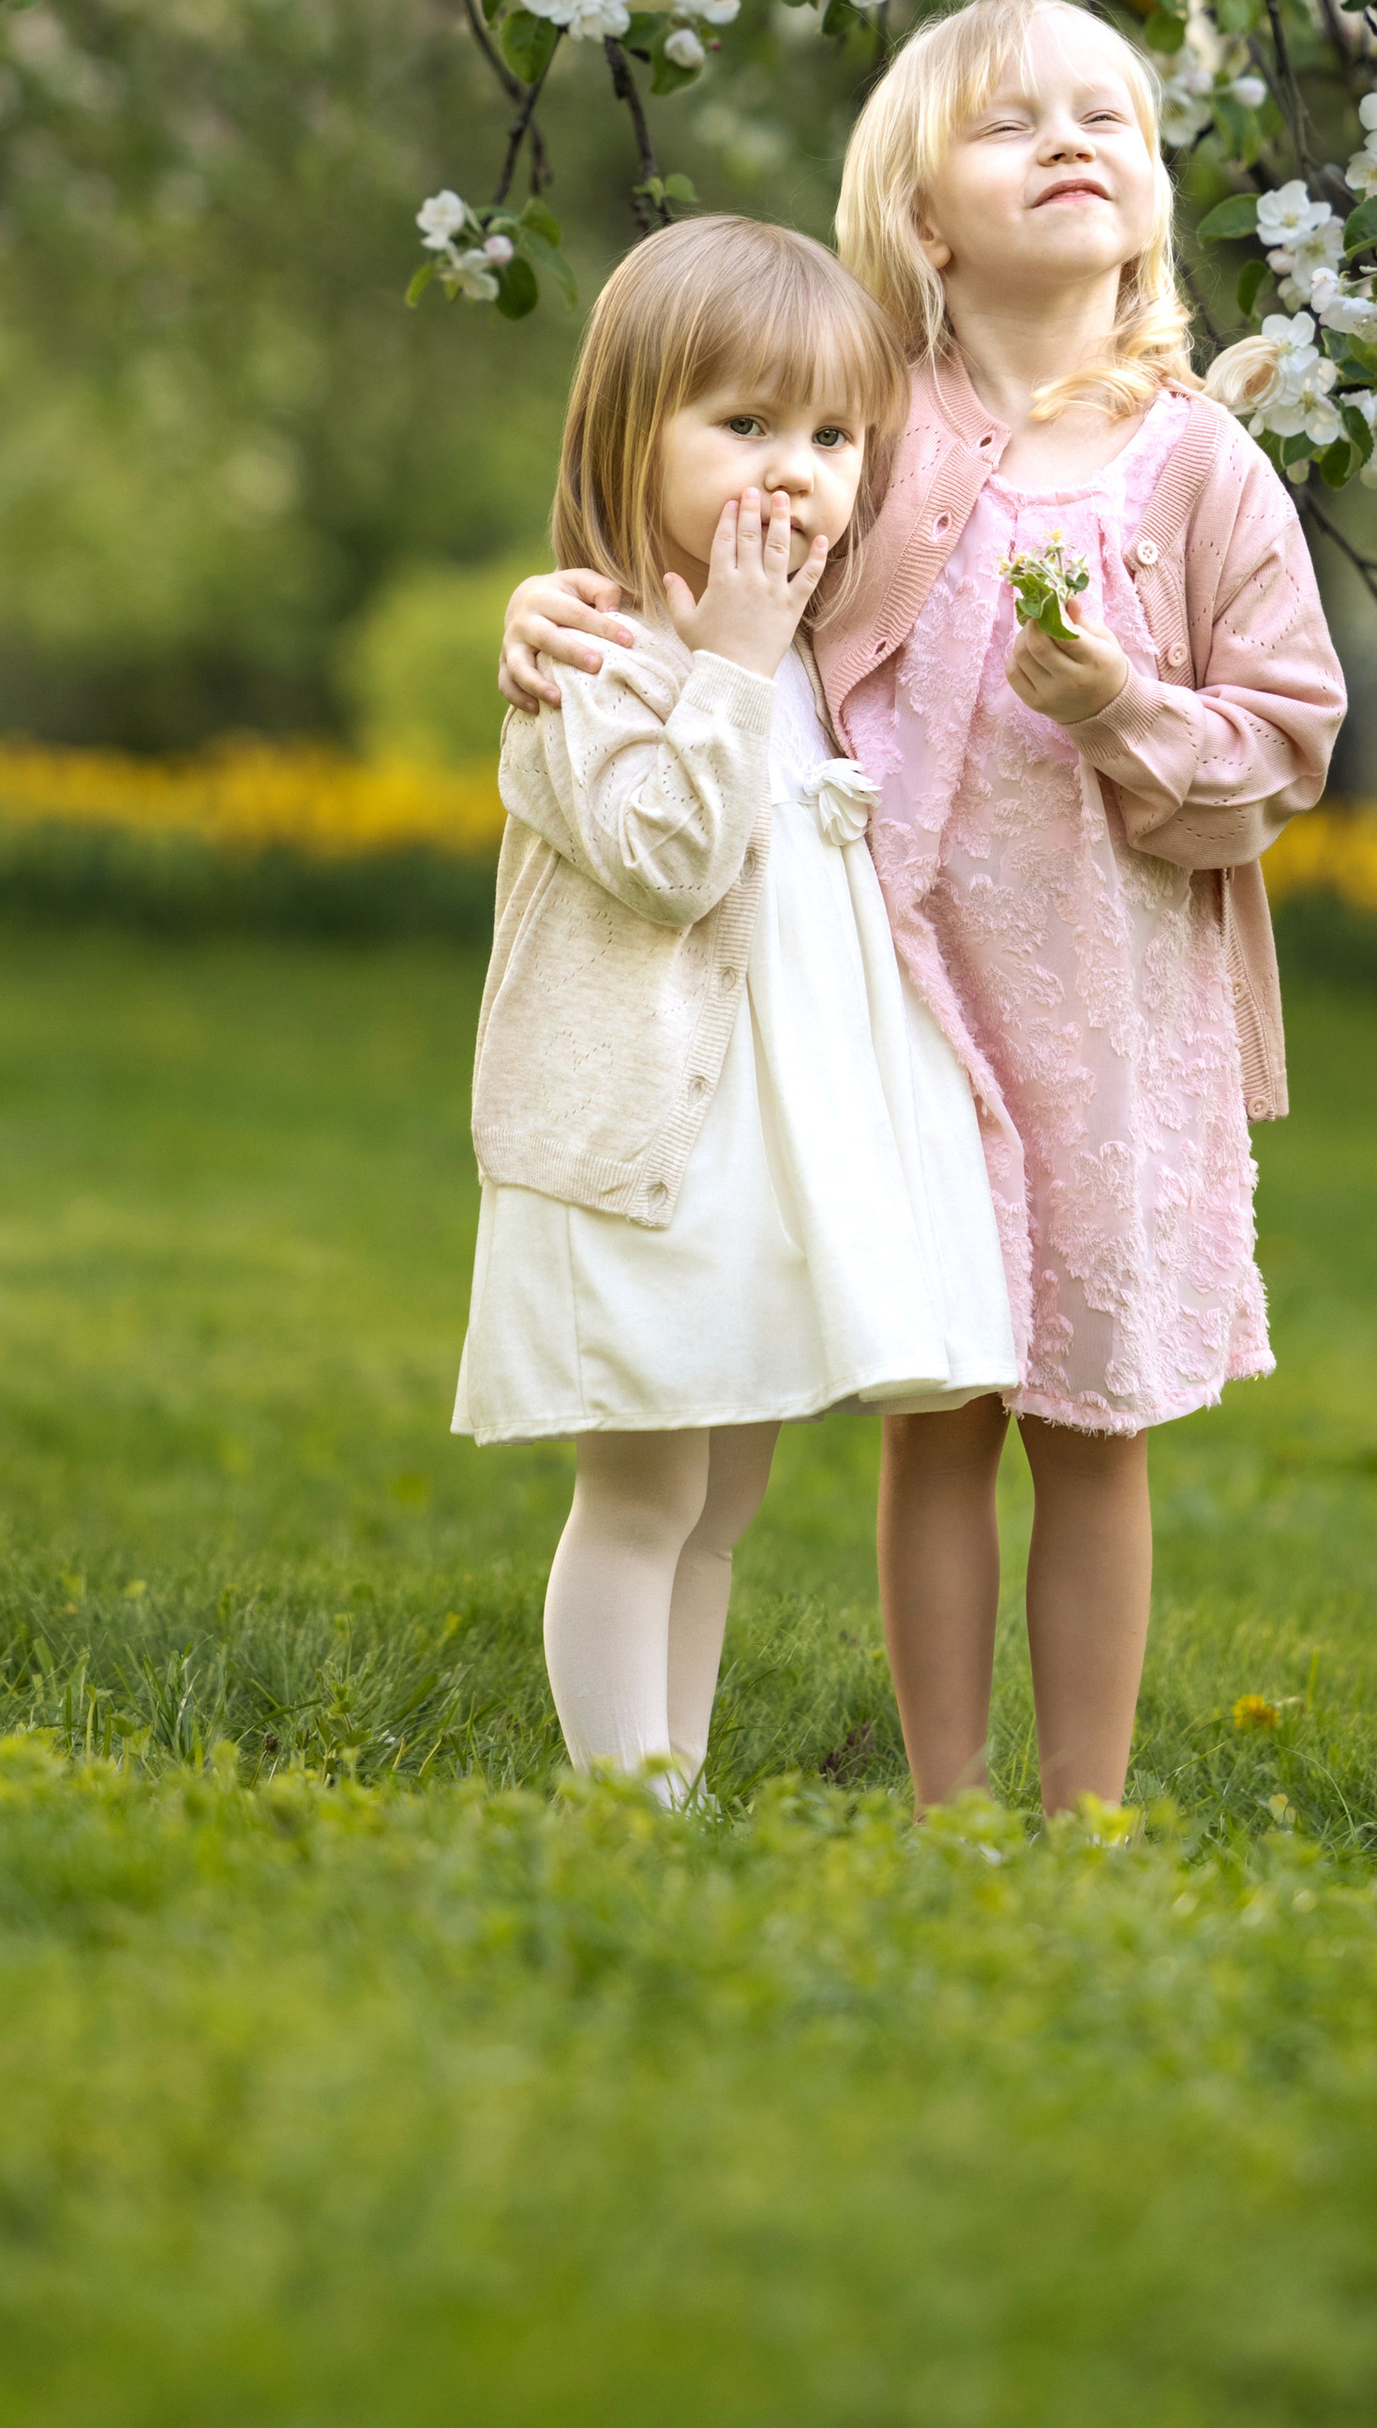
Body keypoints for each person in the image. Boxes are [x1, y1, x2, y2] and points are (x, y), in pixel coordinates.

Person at [500, 0, 1348, 1815]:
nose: (1071, 141)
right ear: (919, 212)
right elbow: (702, 552)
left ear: (1151, 187)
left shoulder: (1197, 464)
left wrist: (1126, 707)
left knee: (1093, 1427)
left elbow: (1288, 746)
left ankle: (1087, 1813)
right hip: (899, 1004)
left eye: (1109, 115)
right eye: (1012, 121)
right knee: (941, 1409)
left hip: (1113, 1015)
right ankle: (949, 1804)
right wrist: (550, 606)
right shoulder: (874, 420)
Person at [457, 211, 1014, 1802]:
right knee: (638, 1497)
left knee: (721, 1504)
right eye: (746, 426)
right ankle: (621, 1802)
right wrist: (728, 658)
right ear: (633, 435)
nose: (800, 472)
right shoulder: (591, 658)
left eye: (835, 437)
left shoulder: (801, 652)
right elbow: (669, 862)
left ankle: (672, 1777)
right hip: (645, 1157)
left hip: (755, 1171)